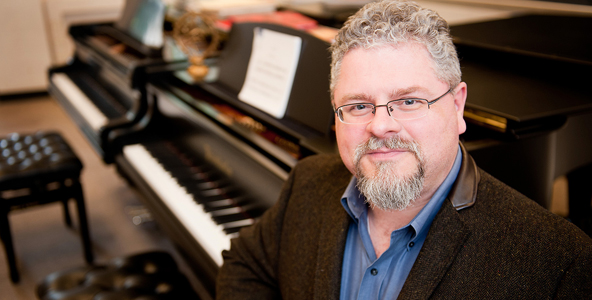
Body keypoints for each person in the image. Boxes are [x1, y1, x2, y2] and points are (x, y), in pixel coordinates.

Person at [216, 0, 592, 299]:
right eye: (359, 106)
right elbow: (243, 265)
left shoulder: (559, 263)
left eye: (409, 101)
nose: (380, 126)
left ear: (457, 106)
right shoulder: (307, 182)